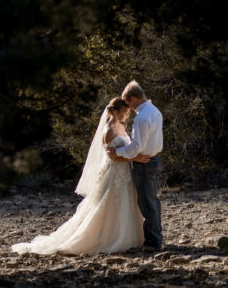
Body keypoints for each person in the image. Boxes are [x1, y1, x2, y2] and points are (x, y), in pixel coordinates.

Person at [11, 97, 150, 255]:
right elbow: (114, 157)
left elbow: (125, 149)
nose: (127, 115)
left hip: (125, 172)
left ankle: (129, 237)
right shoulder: (109, 131)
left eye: (128, 112)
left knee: (127, 202)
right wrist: (135, 158)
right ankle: (107, 238)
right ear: (115, 111)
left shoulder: (121, 127)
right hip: (115, 172)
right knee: (110, 204)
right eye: (125, 112)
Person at [108, 81, 163, 252]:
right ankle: (155, 238)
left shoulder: (142, 117)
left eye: (128, 103)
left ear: (133, 98)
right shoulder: (154, 111)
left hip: (144, 163)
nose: (128, 107)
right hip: (153, 159)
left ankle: (153, 242)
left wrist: (118, 153)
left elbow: (136, 147)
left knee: (147, 202)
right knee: (152, 201)